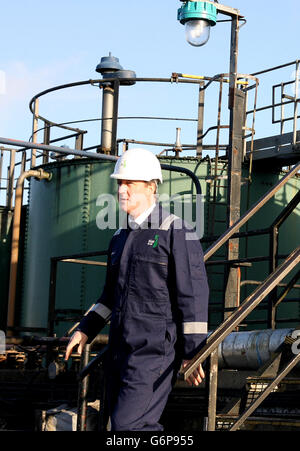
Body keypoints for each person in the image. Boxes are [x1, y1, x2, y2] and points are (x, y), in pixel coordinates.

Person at [65, 148, 209, 431]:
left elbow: (192, 295)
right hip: (119, 350)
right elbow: (109, 297)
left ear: (151, 187)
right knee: (115, 424)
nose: (123, 190)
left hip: (154, 352)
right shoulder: (119, 238)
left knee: (130, 426)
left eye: (130, 183)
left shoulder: (175, 231)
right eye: (120, 183)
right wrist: (85, 329)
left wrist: (193, 352)